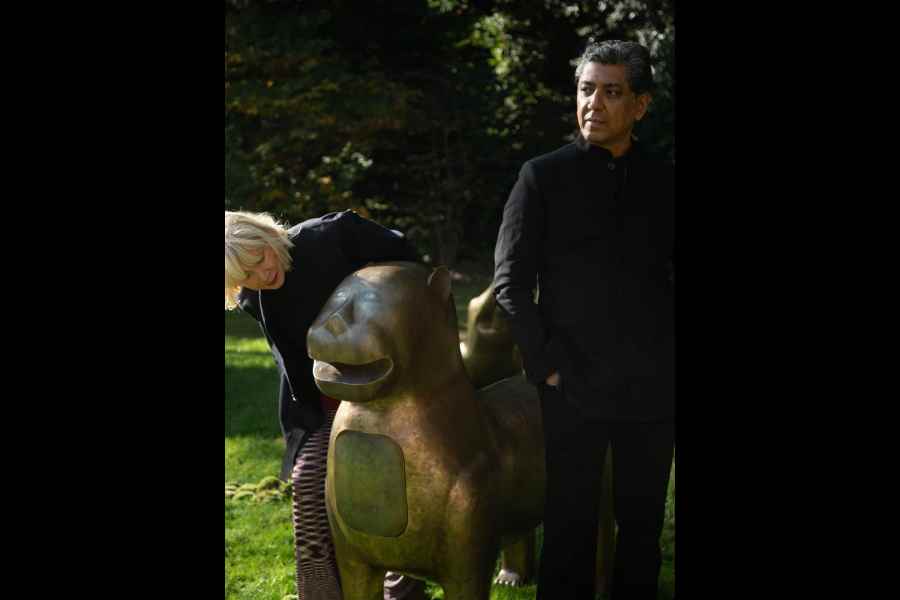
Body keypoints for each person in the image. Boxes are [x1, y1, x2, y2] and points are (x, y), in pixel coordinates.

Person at [493, 39, 674, 600]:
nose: (593, 103)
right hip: (571, 383)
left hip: (654, 384)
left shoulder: (666, 181)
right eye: (586, 89)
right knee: (569, 527)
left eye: (612, 91)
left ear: (640, 105)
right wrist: (545, 366)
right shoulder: (541, 177)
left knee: (642, 529)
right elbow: (511, 283)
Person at [225, 209, 427, 600]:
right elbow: (293, 363)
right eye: (247, 275)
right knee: (307, 483)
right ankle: (320, 593)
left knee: (400, 479)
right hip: (327, 403)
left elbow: (409, 265)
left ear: (269, 236)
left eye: (261, 258)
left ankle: (403, 590)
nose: (262, 275)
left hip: (396, 384)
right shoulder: (256, 298)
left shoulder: (334, 234)